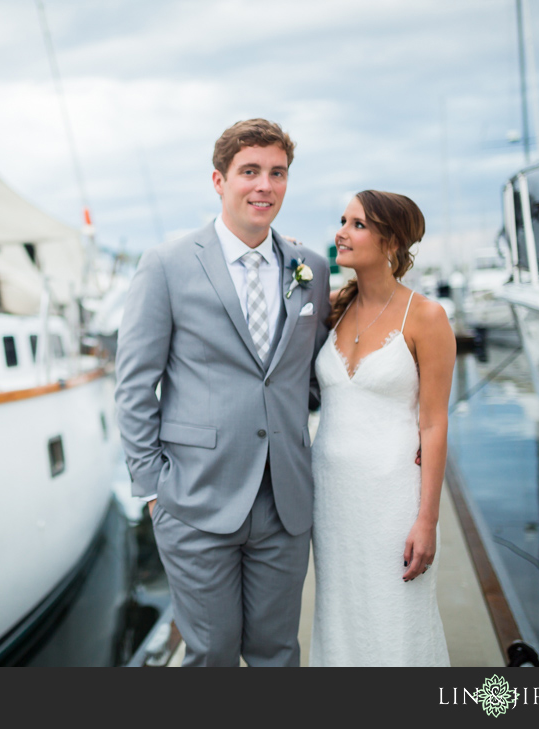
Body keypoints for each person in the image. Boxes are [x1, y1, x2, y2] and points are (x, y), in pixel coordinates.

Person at [115, 119, 331, 666]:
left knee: (277, 653)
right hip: (194, 498)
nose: (265, 186)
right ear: (219, 180)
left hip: (284, 500)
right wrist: (153, 488)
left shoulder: (311, 269)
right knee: (210, 655)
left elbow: (313, 376)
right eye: (250, 171)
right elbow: (136, 384)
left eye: (277, 173)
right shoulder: (166, 265)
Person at [309, 190, 454, 666]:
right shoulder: (332, 309)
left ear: (390, 241)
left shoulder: (426, 317)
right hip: (331, 501)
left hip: (392, 500)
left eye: (357, 225)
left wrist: (427, 520)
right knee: (341, 621)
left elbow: (433, 424)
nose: (341, 233)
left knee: (395, 624)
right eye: (342, 221)